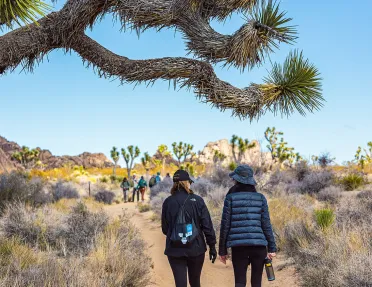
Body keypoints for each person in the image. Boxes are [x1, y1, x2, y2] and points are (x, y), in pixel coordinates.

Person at [218, 165, 277, 287]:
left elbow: (225, 225)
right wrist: (272, 247)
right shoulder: (260, 198)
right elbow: (266, 224)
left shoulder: (230, 198)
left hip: (239, 247)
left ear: (236, 180)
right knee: (256, 283)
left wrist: (222, 250)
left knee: (239, 282)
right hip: (259, 247)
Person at [162, 170, 217, 287]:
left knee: (180, 284)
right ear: (186, 182)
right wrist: (212, 246)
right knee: (195, 282)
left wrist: (177, 234)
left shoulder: (167, 202)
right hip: (196, 249)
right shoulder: (198, 200)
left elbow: (165, 229)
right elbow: (207, 226)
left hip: (174, 249)